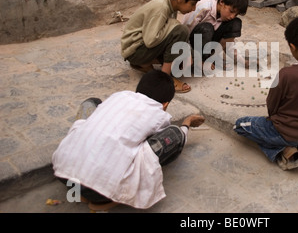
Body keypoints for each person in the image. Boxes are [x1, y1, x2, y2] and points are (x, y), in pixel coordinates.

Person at [52, 70, 205, 211]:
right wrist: (187, 123)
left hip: (62, 172)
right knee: (174, 134)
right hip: (101, 191)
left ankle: (80, 184)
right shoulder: (160, 115)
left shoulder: (119, 95)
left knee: (92, 103)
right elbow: (163, 141)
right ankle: (107, 200)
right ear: (165, 104)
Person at [233, 17, 298, 171]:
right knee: (287, 130)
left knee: (240, 124)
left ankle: (285, 151)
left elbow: (272, 105)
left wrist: (273, 121)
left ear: (292, 47)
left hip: (285, 131)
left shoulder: (286, 74)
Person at [121, 0, 203, 93]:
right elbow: (150, 41)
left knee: (187, 57)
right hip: (135, 51)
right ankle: (164, 80)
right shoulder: (161, 9)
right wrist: (173, 24)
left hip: (140, 49)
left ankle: (143, 64)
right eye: (192, 4)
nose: (194, 8)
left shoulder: (170, 6)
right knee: (181, 31)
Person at [180, 0, 250, 70]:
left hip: (208, 48)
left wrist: (243, 61)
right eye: (231, 11)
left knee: (235, 23)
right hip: (192, 46)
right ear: (221, 2)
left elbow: (229, 44)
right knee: (206, 28)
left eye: (236, 14)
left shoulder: (226, 18)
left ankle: (211, 59)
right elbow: (184, 34)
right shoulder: (202, 8)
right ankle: (198, 62)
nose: (232, 16)